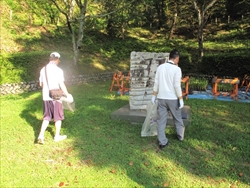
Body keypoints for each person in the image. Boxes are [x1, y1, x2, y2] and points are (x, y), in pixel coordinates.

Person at [151, 49, 185, 150]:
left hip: (161, 98)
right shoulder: (177, 69)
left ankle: (162, 141)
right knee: (177, 118)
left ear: (169, 57)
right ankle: (180, 136)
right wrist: (180, 98)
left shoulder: (160, 67)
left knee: (161, 120)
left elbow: (156, 83)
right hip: (173, 98)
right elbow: (177, 86)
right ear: (176, 59)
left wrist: (154, 95)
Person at [37, 52, 70, 144]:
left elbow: (41, 84)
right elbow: (61, 84)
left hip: (45, 97)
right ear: (57, 59)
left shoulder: (43, 69)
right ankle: (57, 136)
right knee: (58, 118)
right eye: (59, 60)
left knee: (47, 117)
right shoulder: (58, 70)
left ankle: (41, 135)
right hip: (56, 97)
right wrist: (67, 94)